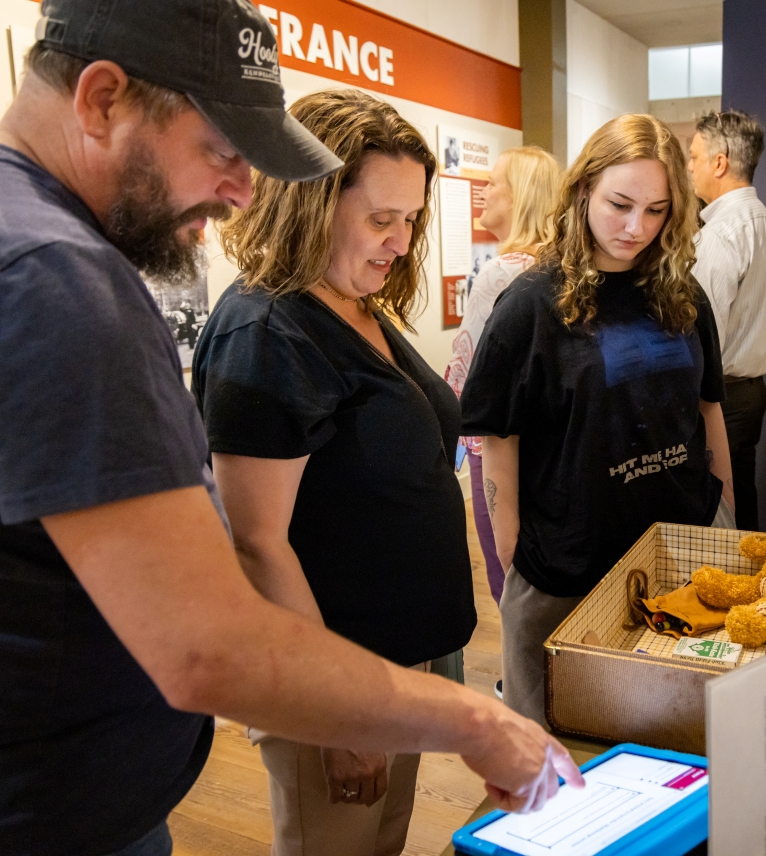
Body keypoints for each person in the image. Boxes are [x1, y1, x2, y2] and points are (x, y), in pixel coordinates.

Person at [0, 2, 579, 853]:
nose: (240, 193)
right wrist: (477, 724)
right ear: (102, 99)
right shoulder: (43, 274)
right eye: (222, 151)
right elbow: (205, 642)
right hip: (30, 812)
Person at [192, 88, 474, 856]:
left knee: (380, 840)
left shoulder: (354, 303)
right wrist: (339, 711)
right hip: (336, 671)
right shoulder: (264, 333)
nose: (401, 241)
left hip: (397, 660)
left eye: (412, 219)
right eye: (381, 220)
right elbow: (258, 543)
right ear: (310, 205)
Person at [461, 114, 736, 726]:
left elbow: (708, 411)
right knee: (556, 756)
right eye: (620, 204)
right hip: (566, 568)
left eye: (657, 210)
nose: (636, 228)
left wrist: (725, 524)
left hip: (677, 554)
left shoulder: (683, 294)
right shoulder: (530, 304)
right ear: (583, 188)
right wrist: (509, 563)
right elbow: (496, 440)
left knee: (672, 741)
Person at [445, 146, 561, 605]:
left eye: (494, 183)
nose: (484, 192)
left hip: (496, 448)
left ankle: (516, 679)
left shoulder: (500, 274)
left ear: (522, 197)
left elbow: (466, 372)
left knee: (507, 578)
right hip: (550, 448)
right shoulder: (562, 269)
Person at [687, 110, 766, 531]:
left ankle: (725, 589)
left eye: (693, 157)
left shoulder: (722, 234)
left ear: (720, 161)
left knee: (715, 507)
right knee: (739, 493)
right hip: (748, 392)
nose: (689, 167)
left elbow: (699, 333)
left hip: (719, 397)